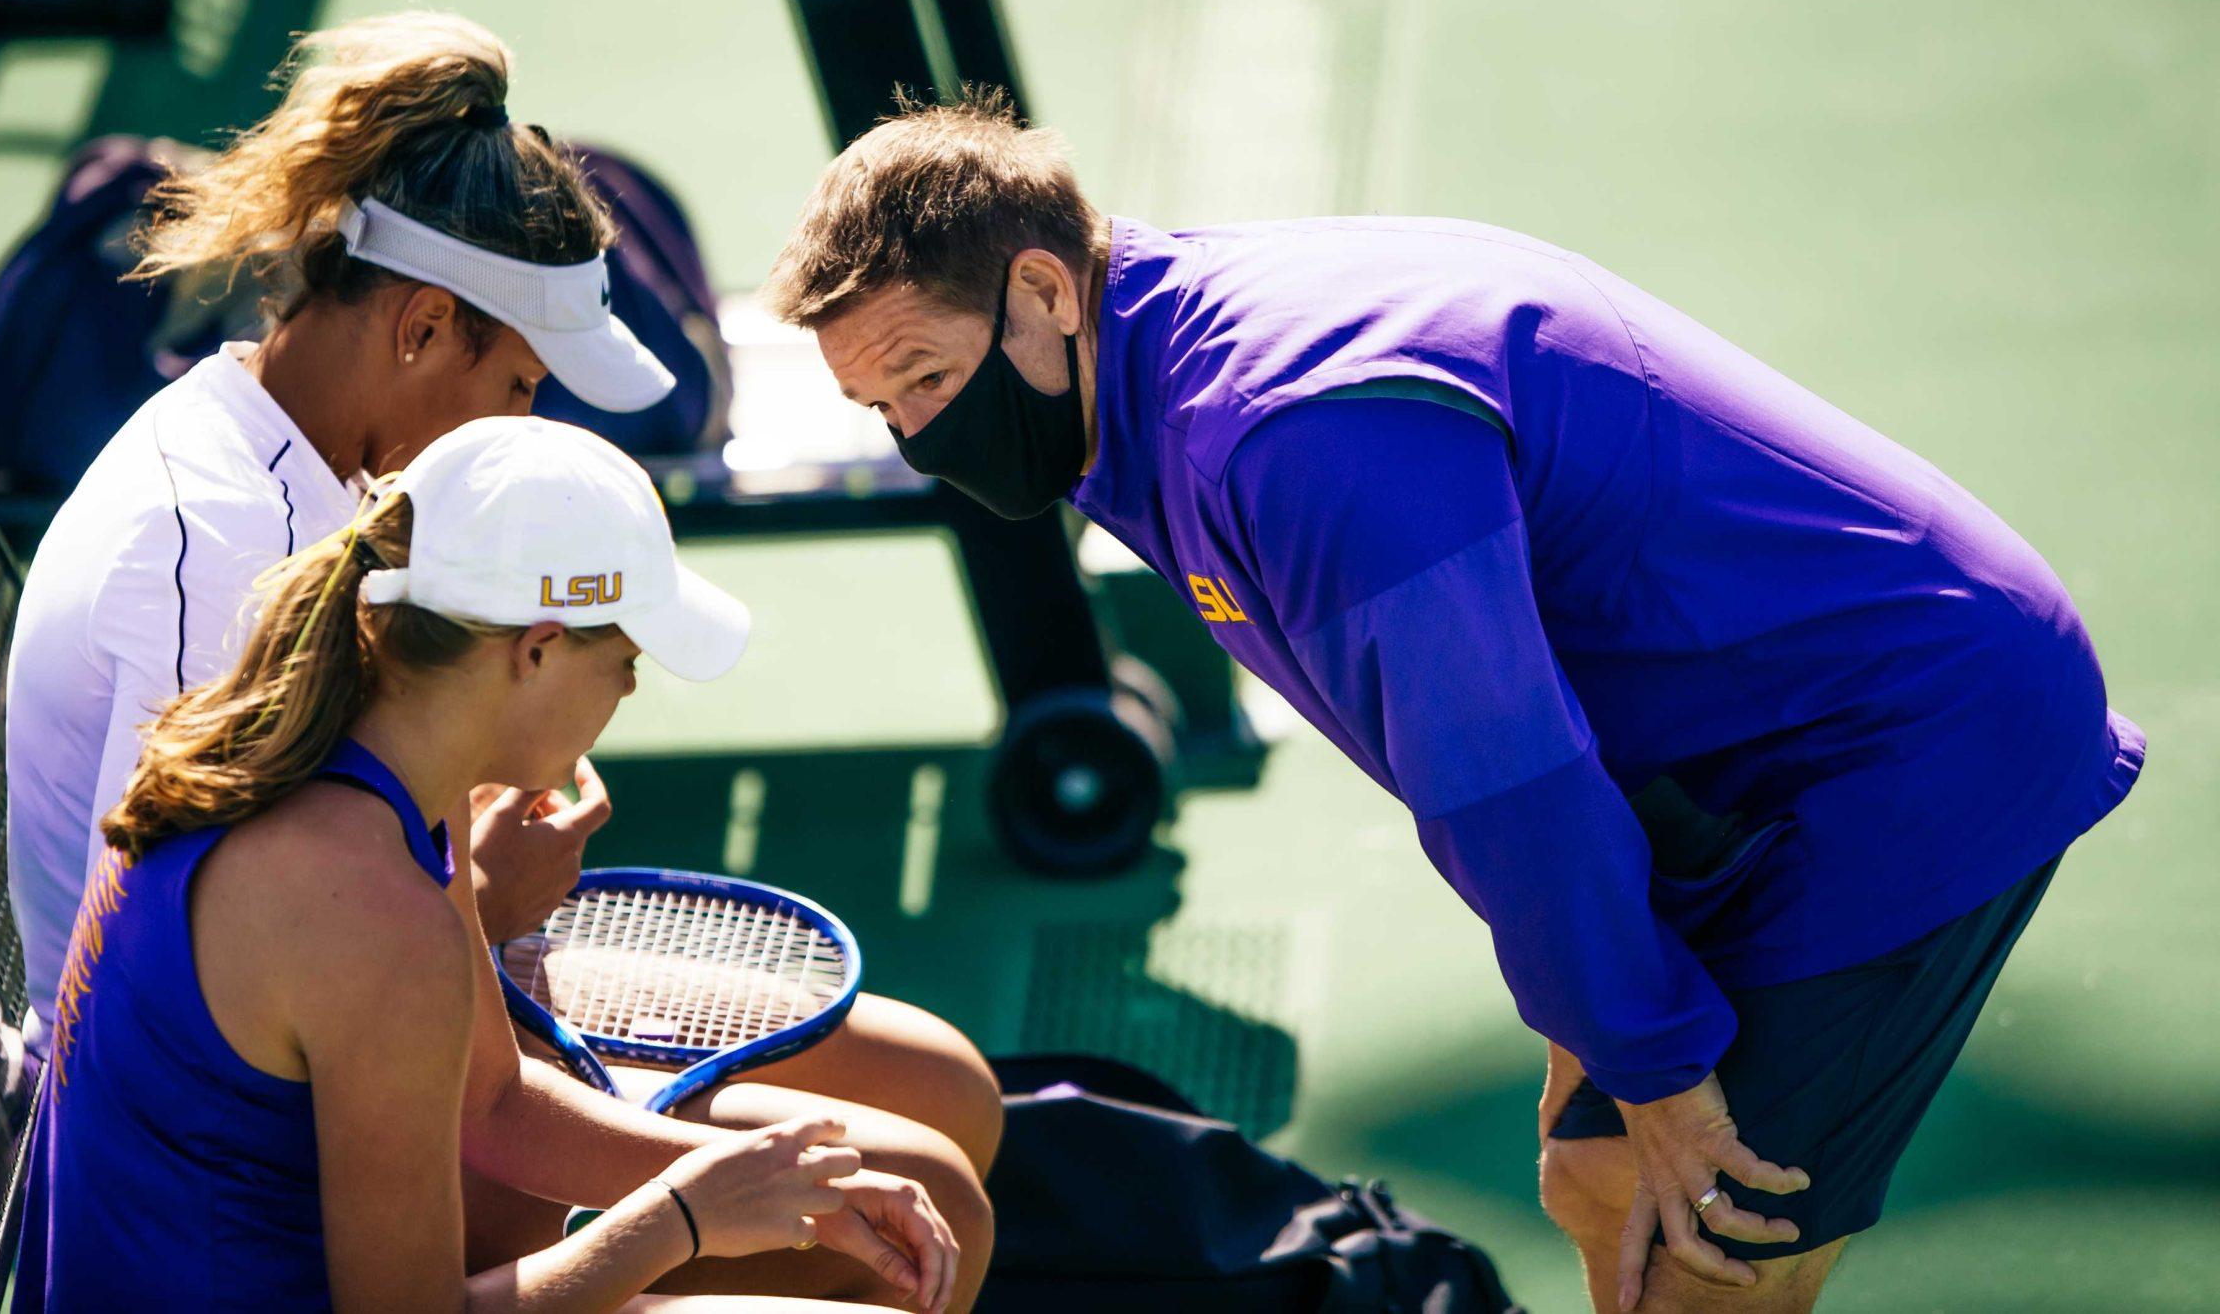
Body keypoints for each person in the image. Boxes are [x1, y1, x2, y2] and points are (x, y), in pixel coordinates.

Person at [759, 92, 2144, 1314]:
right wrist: (1605, 1039)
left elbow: (1508, 777)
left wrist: (1653, 1060)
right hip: (1729, 753)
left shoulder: (1296, 430)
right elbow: (1512, 727)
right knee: (1601, 1176)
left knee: (1717, 1252)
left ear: (1046, 293)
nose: (924, 439)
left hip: (1906, 745)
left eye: (930, 379)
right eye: (884, 410)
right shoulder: (1143, 380)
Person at [4, 13, 996, 1304]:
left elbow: (408, 1030)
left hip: (321, 1037)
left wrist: (469, 882)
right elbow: (252, 991)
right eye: (524, 385)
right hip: (271, 1124)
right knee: (912, 1223)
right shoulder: (211, 565)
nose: (525, 424)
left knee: (939, 1124)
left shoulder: (347, 569)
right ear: (421, 328)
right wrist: (688, 1210)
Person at [23, 416, 961, 1312]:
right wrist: (681, 1215)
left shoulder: (297, 755)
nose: (631, 689)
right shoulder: (382, 922)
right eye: (626, 658)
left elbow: (495, 1103)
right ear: (538, 651)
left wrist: (788, 1186)